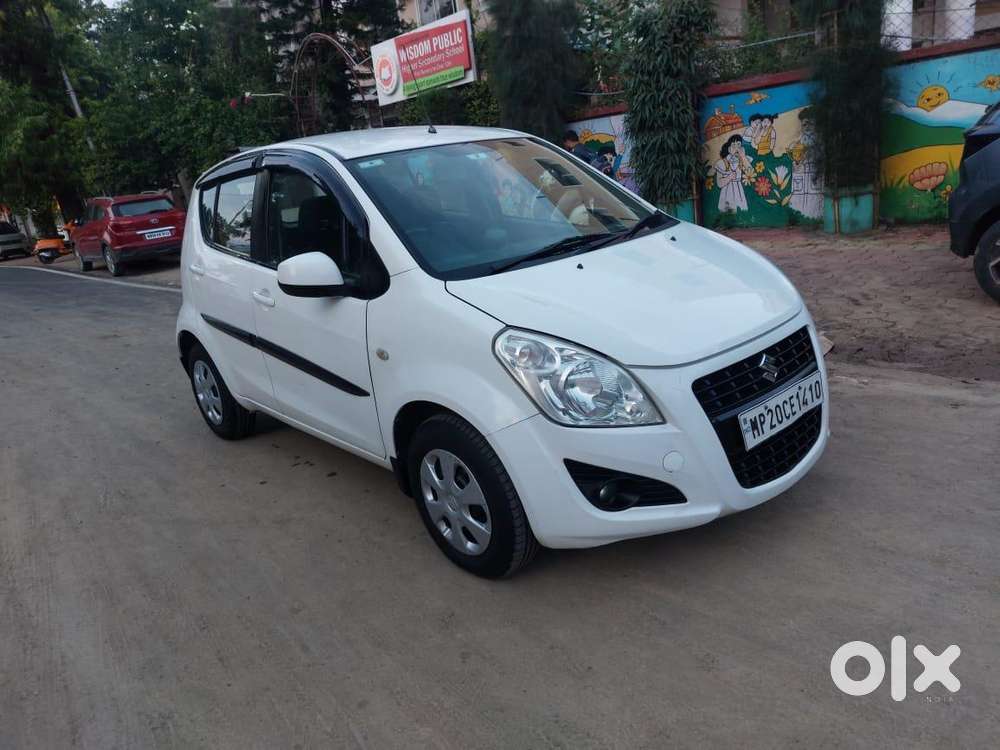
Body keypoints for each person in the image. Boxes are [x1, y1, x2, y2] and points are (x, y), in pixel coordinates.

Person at [715, 134, 750, 213]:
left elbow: (751, 171)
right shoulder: (722, 163)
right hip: (727, 191)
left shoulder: (743, 160)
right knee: (727, 212)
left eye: (739, 144)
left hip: (739, 191)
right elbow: (719, 184)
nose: (736, 148)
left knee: (742, 211)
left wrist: (743, 157)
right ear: (729, 148)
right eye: (733, 145)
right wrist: (729, 177)